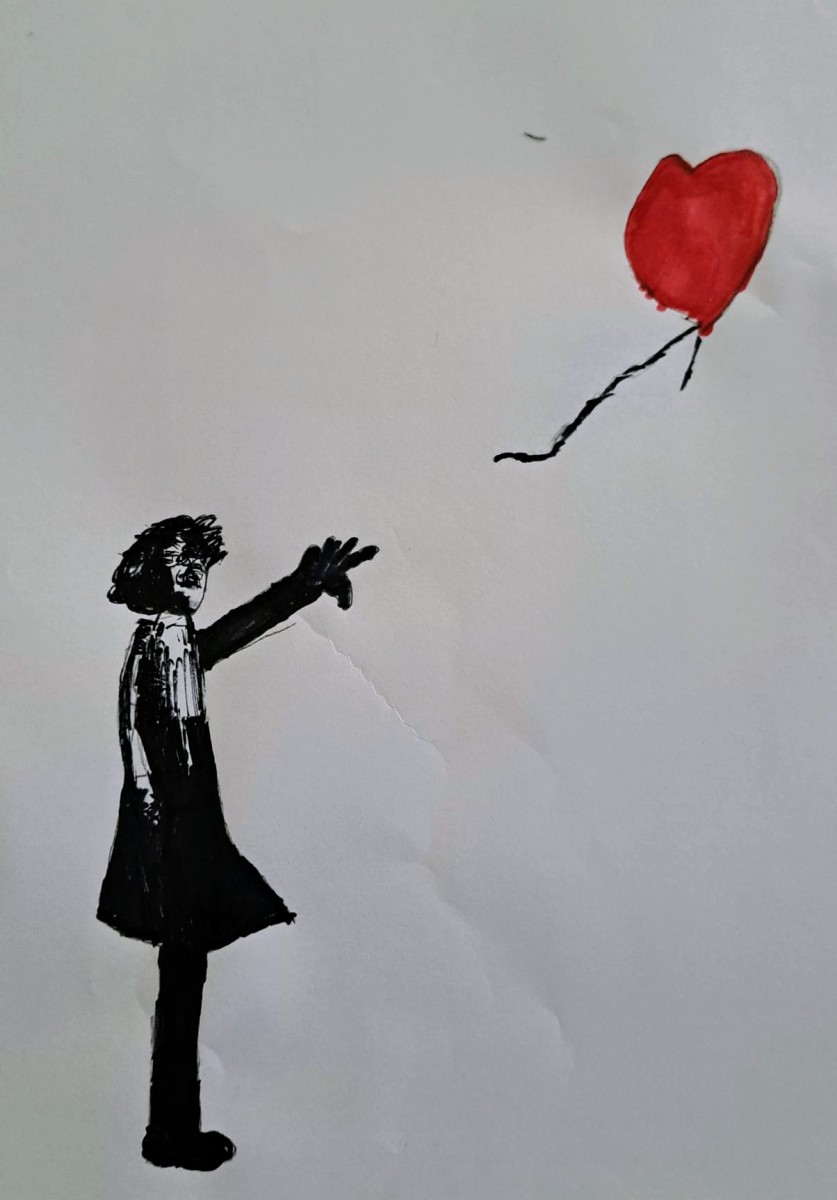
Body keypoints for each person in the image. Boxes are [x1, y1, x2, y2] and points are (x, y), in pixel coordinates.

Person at [98, 515, 379, 1171]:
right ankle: (171, 1131)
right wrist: (150, 812)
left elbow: (235, 631)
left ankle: (171, 1128)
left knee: (185, 972)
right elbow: (135, 733)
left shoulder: (180, 641)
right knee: (182, 971)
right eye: (178, 561)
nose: (191, 572)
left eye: (198, 564)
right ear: (147, 573)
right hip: (170, 827)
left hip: (191, 823)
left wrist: (302, 587)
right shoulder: (153, 643)